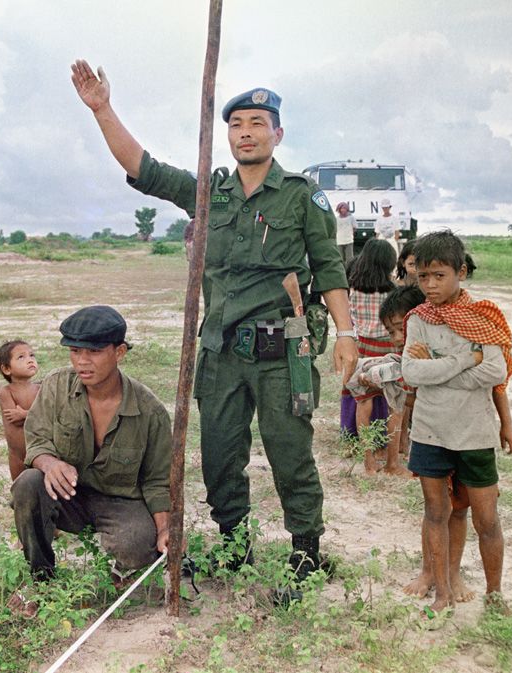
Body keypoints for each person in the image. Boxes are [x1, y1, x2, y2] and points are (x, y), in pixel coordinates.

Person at [70, 60, 357, 602]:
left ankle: (306, 552)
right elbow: (144, 167)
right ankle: (235, 546)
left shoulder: (301, 195)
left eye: (256, 123)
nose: (245, 132)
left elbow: (330, 268)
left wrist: (346, 334)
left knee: (289, 455)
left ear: (277, 133)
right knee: (220, 456)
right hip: (220, 353)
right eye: (236, 124)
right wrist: (102, 109)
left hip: (280, 352)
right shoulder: (210, 191)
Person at [9, 306, 172, 615]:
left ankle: (120, 570)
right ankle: (41, 579)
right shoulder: (56, 386)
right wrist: (49, 464)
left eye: (94, 352)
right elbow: (37, 440)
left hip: (120, 502)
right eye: (74, 351)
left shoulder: (150, 411)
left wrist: (165, 531)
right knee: (28, 485)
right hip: (68, 496)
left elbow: (157, 481)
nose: (82, 361)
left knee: (141, 542)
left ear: (119, 351)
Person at [402, 230, 512, 615]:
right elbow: (411, 373)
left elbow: (495, 371)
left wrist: (436, 367)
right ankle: (442, 592)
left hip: (475, 433)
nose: (430, 285)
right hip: (431, 430)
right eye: (423, 277)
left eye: (439, 275)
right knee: (436, 512)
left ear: (460, 272)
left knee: (486, 518)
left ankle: (495, 595)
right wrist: (467, 360)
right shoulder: (417, 319)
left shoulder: (484, 317)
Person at [344, 285, 424, 476]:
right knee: (394, 409)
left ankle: (388, 457)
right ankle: (387, 463)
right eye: (391, 332)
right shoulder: (403, 354)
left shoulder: (419, 347)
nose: (396, 338)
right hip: (368, 371)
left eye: (400, 330)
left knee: (395, 406)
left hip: (369, 358)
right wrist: (366, 377)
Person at [340, 239, 396, 455]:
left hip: (360, 347)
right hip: (386, 349)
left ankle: (351, 437)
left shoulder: (353, 290)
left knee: (355, 392)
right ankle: (380, 440)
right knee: (383, 394)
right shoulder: (392, 292)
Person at [0, 340, 41, 481]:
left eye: (32, 355)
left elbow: (46, 415)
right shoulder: (6, 391)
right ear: (7, 369)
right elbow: (15, 420)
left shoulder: (40, 390)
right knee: (19, 488)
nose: (30, 360)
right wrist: (31, 414)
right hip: (17, 455)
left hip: (40, 450)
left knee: (39, 485)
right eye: (21, 357)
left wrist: (25, 414)